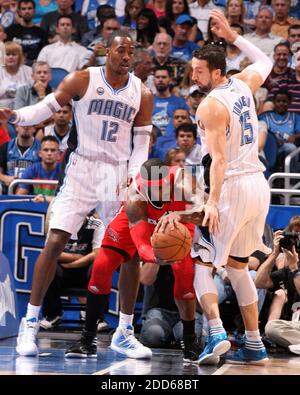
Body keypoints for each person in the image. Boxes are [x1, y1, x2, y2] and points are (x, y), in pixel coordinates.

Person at [0, 30, 153, 357]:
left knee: (130, 253)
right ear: (106, 52)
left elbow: (142, 144)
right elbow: (44, 109)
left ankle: (125, 330)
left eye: (132, 52)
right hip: (82, 167)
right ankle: (30, 322)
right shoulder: (82, 79)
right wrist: (15, 116)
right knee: (55, 241)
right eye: (121, 50)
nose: (127, 56)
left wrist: (135, 176)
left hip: (117, 172)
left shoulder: (142, 92)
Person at [156, 9, 273, 365]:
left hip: (234, 186)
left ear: (218, 72)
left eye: (201, 71)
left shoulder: (210, 106)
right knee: (238, 267)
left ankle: (217, 332)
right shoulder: (243, 83)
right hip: (259, 185)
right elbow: (264, 59)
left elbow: (219, 161)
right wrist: (234, 36)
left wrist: (212, 202)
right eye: (193, 69)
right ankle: (254, 343)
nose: (194, 75)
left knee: (200, 263)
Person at [65, 158, 202, 362]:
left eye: (159, 188)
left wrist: (179, 215)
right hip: (141, 220)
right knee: (101, 266)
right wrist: (158, 256)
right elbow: (142, 247)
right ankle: (87, 340)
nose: (155, 193)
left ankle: (190, 342)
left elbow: (202, 213)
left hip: (178, 218)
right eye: (150, 189)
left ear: (168, 181)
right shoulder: (134, 196)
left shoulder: (184, 181)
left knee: (184, 273)